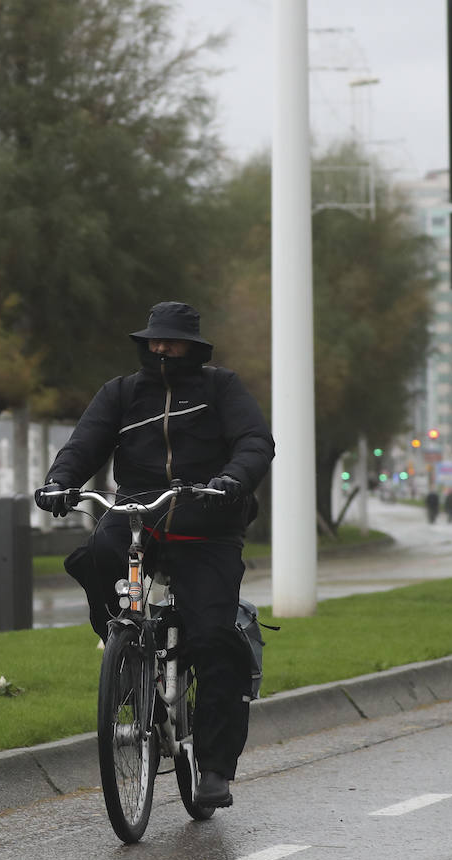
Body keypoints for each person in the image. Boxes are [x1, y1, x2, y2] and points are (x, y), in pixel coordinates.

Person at [35, 301, 274, 810]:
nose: (160, 348)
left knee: (213, 636)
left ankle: (213, 767)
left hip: (205, 521)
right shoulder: (121, 392)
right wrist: (60, 482)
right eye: (153, 341)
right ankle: (126, 644)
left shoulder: (221, 388)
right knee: (96, 553)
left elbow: (255, 440)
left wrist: (232, 480)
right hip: (138, 511)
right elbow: (84, 444)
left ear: (193, 346)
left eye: (170, 341)